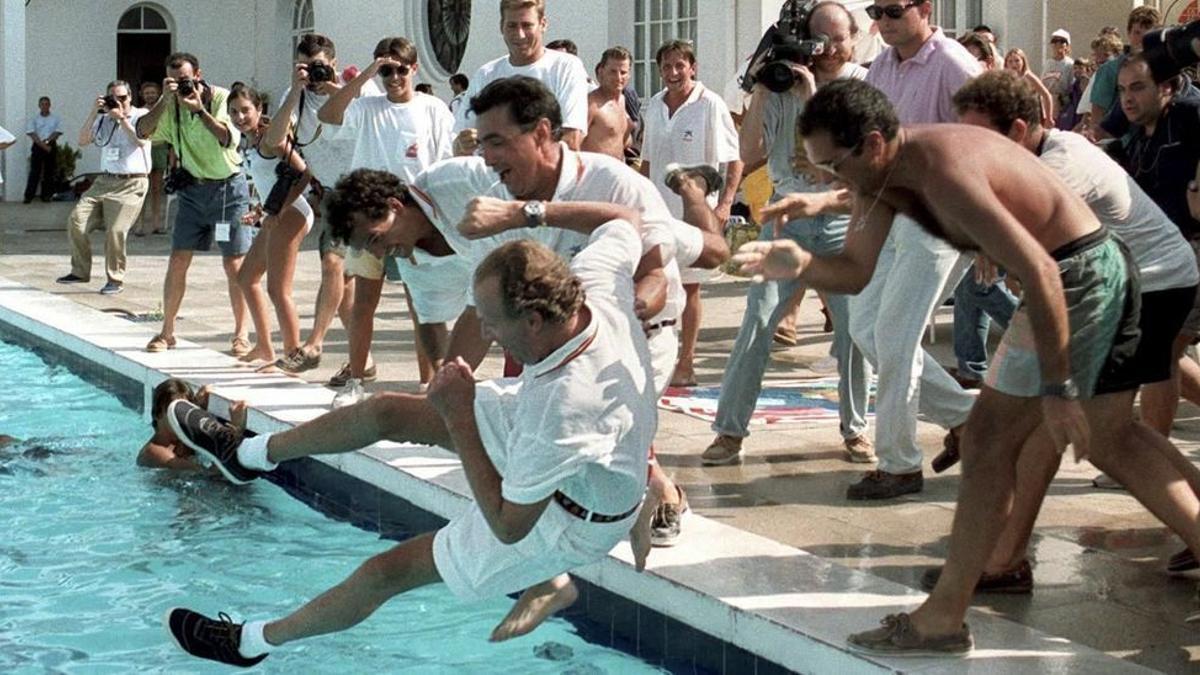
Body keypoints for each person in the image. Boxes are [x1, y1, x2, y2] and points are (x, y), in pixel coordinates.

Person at [736, 76, 1200, 656]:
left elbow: (1041, 269)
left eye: (834, 165)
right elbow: (853, 272)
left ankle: (944, 617)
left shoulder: (941, 170)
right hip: (1080, 274)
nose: (830, 178)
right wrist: (800, 262)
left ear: (874, 143)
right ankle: (949, 612)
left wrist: (1057, 387)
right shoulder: (885, 178)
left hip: (1078, 277)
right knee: (1112, 439)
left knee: (987, 440)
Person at [162, 221, 657, 667]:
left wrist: (460, 414)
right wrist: (542, 214)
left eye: (490, 321)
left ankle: (251, 643)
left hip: (566, 523)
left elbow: (508, 525)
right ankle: (246, 455)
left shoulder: (566, 409)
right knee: (388, 411)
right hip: (563, 447)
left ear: (531, 320)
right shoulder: (596, 281)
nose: (482, 331)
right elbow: (624, 222)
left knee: (386, 571)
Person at [922, 67, 1200, 594]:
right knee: (1092, 431)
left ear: (1022, 128)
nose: (974, 150)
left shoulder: (1058, 165)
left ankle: (1005, 557)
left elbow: (1012, 240)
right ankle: (1005, 556)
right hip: (1131, 284)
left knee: (1102, 436)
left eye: (985, 138)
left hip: (1149, 286)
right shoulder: (1041, 155)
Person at [416, 75, 725, 548]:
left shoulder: (612, 182)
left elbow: (656, 282)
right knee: (550, 432)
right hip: (571, 340)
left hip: (643, 334)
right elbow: (483, 313)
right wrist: (447, 377)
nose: (486, 156)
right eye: (482, 144)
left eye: (497, 142)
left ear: (542, 133)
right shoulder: (499, 194)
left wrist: (614, 311)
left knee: (712, 252)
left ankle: (692, 189)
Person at [703, 0, 873, 466]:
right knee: (757, 322)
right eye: (822, 38)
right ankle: (729, 432)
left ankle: (855, 430)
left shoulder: (863, 83)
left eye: (840, 38)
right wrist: (761, 85)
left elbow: (853, 151)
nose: (832, 48)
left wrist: (812, 93)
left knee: (854, 332)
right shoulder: (782, 86)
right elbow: (749, 148)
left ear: (853, 39)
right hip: (785, 217)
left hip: (840, 217)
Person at [838, 0, 979, 500]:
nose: (884, 20)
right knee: (864, 327)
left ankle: (899, 464)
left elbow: (988, 142)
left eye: (894, 9)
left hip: (942, 218)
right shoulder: (881, 64)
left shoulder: (955, 64)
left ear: (924, 8)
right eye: (877, 10)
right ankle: (971, 419)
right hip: (892, 214)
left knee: (895, 339)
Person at [318, 36, 456, 405]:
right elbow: (327, 115)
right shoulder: (365, 107)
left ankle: (427, 385)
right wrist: (365, 76)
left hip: (414, 219)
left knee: (421, 305)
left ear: (413, 69)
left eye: (399, 70)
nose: (392, 78)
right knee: (364, 304)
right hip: (368, 221)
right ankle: (357, 382)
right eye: (386, 71)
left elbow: (444, 161)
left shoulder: (434, 109)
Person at [261, 33, 380, 378]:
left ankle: (313, 346)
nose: (314, 74)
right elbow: (272, 141)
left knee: (333, 263)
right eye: (307, 67)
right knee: (342, 290)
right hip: (331, 194)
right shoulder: (294, 96)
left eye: (320, 67)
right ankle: (364, 362)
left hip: (363, 192)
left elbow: (356, 113)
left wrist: (332, 87)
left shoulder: (360, 89)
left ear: (334, 64)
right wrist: (296, 90)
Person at [136, 52, 254, 356]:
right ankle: (167, 331)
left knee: (234, 263)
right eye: (174, 81)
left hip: (228, 190)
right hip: (192, 190)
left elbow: (228, 138)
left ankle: (242, 333)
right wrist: (164, 98)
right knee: (178, 260)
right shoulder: (170, 105)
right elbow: (142, 131)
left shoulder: (220, 98)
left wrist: (199, 109)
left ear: (198, 75)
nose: (181, 85)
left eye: (185, 79)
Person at [640, 39, 743, 387]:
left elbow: (734, 159)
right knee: (659, 280)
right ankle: (658, 358)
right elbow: (648, 161)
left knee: (692, 287)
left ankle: (686, 363)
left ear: (692, 67)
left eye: (679, 66)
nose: (672, 73)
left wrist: (726, 202)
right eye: (666, 67)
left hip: (697, 212)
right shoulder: (653, 105)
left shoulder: (710, 104)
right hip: (657, 211)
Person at [1112, 55, 1200, 442]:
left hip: (1193, 253)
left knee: (1160, 351)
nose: (1127, 99)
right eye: (1122, 90)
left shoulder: (1187, 116)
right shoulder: (1138, 137)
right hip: (1166, 258)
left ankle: (1151, 459)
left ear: (1167, 87)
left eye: (1138, 87)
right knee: (1164, 352)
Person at [227, 84, 314, 368]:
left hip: (294, 214)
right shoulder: (250, 141)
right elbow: (271, 182)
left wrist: (279, 209)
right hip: (275, 214)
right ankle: (265, 348)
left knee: (278, 289)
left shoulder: (270, 139)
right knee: (246, 278)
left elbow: (303, 173)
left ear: (259, 110)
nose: (240, 117)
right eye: (234, 112)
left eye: (245, 110)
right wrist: (261, 209)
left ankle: (293, 355)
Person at [453, 0, 590, 154]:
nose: (520, 34)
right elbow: (459, 142)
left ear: (543, 24)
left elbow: (571, 140)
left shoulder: (566, 67)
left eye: (527, 25)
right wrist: (462, 145)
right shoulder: (485, 74)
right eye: (512, 25)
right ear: (501, 27)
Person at [54, 80, 150, 296]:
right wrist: (94, 113)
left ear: (131, 97)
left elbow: (141, 141)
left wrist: (122, 120)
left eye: (123, 98)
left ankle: (115, 279)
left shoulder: (141, 115)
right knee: (76, 221)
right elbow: (82, 140)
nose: (120, 102)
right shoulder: (103, 119)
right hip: (104, 181)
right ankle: (79, 271)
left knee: (115, 231)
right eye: (114, 98)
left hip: (132, 182)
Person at [137, 379, 244, 472]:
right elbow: (210, 475)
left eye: (185, 410)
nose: (181, 416)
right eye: (175, 411)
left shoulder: (181, 440)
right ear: (158, 413)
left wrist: (200, 413)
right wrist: (237, 427)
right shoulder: (156, 453)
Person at [1089, 6, 1161, 138]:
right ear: (1129, 33)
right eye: (1137, 33)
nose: (1142, 39)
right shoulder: (1110, 70)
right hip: (1119, 144)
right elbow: (1097, 114)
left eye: (1148, 34)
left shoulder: (1161, 68)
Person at [582, 46, 635, 160]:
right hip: (594, 174)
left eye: (623, 72)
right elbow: (571, 143)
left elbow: (619, 141)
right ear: (601, 71)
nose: (618, 77)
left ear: (629, 75)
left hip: (618, 172)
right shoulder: (590, 104)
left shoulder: (622, 100)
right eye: (613, 71)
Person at [133, 81, 169, 236]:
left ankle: (156, 224)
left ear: (158, 93)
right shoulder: (139, 112)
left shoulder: (164, 110)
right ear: (142, 95)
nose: (150, 95)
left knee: (156, 189)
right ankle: (139, 224)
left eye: (153, 92)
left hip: (159, 148)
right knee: (142, 188)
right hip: (143, 148)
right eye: (147, 93)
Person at [1002, 48, 1056, 127]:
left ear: (1023, 61)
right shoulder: (1006, 79)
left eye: (1017, 61)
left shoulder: (1028, 77)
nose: (1014, 64)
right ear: (1006, 64)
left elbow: (1046, 95)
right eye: (1010, 61)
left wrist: (1048, 117)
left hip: (1030, 117)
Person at [24, 96, 61, 204]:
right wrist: (43, 145)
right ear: (39, 106)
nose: (44, 106)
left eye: (46, 104)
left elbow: (57, 132)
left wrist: (48, 142)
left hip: (51, 145)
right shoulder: (34, 119)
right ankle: (28, 196)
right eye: (42, 104)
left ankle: (46, 196)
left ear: (49, 105)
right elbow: (32, 133)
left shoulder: (55, 118)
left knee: (49, 172)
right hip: (37, 146)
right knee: (34, 171)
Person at [1042, 29, 1075, 117]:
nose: (1058, 44)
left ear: (1067, 46)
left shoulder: (1070, 64)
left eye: (1062, 41)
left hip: (1062, 102)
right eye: (1055, 41)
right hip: (1046, 101)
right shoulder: (1048, 63)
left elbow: (1071, 86)